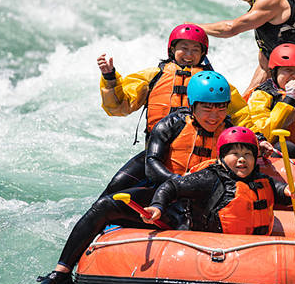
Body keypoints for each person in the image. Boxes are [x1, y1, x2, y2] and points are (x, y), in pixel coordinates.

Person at [25, 71, 245, 284]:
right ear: (192, 105)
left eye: (220, 108)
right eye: (207, 108)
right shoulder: (170, 125)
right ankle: (61, 273)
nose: (214, 116)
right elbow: (151, 165)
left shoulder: (232, 135)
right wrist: (179, 184)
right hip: (166, 197)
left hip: (204, 209)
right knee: (104, 206)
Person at [96, 24, 246, 194]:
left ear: (203, 53)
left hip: (201, 154)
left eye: (195, 50)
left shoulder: (214, 83)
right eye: (184, 48)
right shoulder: (154, 76)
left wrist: (259, 139)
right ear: (172, 49)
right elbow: (119, 107)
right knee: (115, 187)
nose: (189, 55)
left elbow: (241, 115)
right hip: (156, 153)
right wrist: (110, 78)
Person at [142, 126, 295, 235]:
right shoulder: (209, 178)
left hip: (255, 247)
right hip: (214, 247)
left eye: (247, 154)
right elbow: (171, 187)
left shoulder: (261, 179)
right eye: (235, 154)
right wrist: (157, 206)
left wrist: (290, 191)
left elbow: (279, 191)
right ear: (221, 158)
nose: (241, 159)